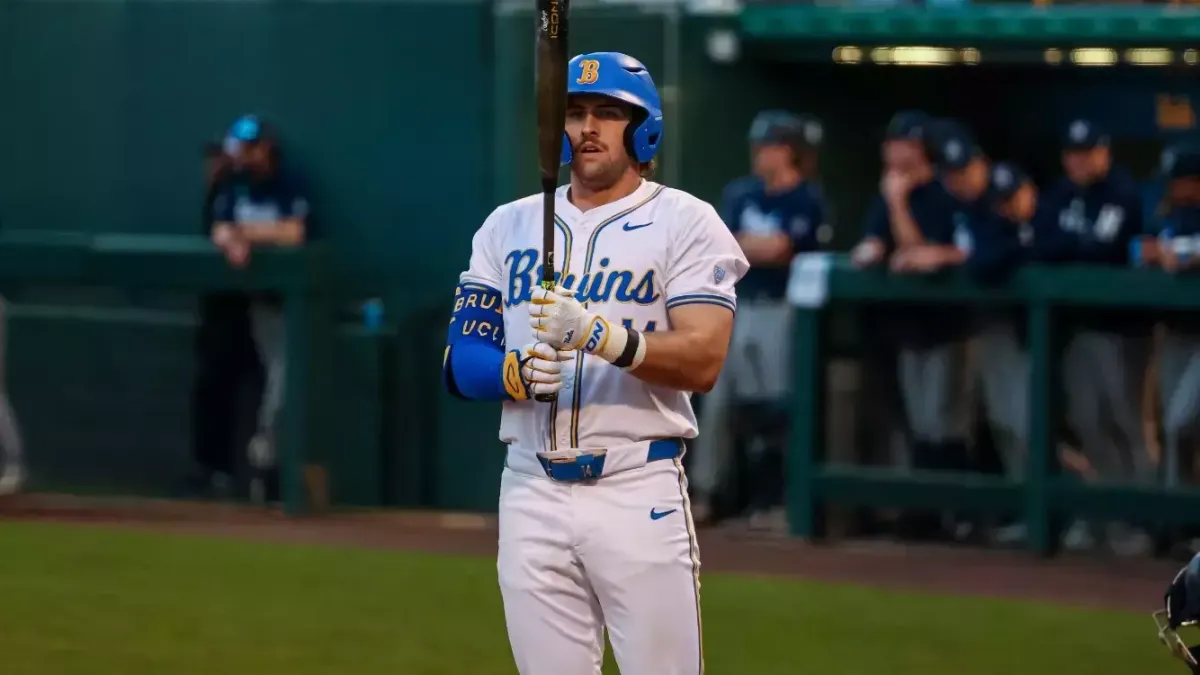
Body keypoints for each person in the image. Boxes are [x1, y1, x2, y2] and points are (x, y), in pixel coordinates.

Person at [442, 52, 747, 675]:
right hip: (529, 489)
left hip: (637, 490)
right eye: (575, 112)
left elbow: (703, 357)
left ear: (645, 130)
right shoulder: (509, 225)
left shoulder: (686, 221)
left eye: (609, 114)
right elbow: (459, 356)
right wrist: (514, 374)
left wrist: (602, 336)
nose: (588, 127)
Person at [690, 109, 827, 530]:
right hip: (737, 306)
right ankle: (709, 495)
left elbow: (781, 249)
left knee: (776, 408)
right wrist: (757, 246)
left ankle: (777, 503)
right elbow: (720, 245)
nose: (759, 152)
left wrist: (751, 245)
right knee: (721, 405)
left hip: (781, 309)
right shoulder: (740, 193)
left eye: (767, 145)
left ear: (788, 151)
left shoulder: (807, 198)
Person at [851, 113, 976, 539]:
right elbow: (873, 243)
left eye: (900, 142)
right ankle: (925, 515)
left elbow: (919, 250)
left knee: (944, 425)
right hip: (907, 328)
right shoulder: (886, 191)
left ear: (920, 149)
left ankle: (955, 516)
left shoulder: (943, 191)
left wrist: (898, 204)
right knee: (920, 425)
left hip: (948, 327)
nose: (891, 150)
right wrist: (871, 248)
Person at [1032, 118, 1150, 554]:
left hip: (1121, 331)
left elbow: (1101, 249)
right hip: (1077, 328)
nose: (1079, 160)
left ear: (1105, 152)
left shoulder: (1122, 192)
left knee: (1126, 425)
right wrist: (1066, 243)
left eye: (1087, 152)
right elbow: (1040, 243)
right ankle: (1107, 515)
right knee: (1087, 423)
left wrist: (1063, 244)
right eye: (1072, 152)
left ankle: (1145, 520)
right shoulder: (1060, 194)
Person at [210, 115, 310, 503]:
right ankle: (261, 463)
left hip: (296, 308)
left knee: (283, 384)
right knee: (272, 381)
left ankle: (266, 453)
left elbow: (295, 231)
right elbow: (218, 227)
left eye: (252, 149)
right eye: (241, 150)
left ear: (267, 147)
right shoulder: (233, 184)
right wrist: (228, 239)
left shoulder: (289, 180)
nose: (246, 157)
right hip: (255, 305)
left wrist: (244, 233)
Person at [1133, 140, 1200, 489]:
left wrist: (1185, 254)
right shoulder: (1167, 212)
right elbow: (1135, 248)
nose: (1171, 188)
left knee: (1181, 421)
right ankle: (1181, 525)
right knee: (1170, 427)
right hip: (1176, 330)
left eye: (1178, 180)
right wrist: (1157, 251)